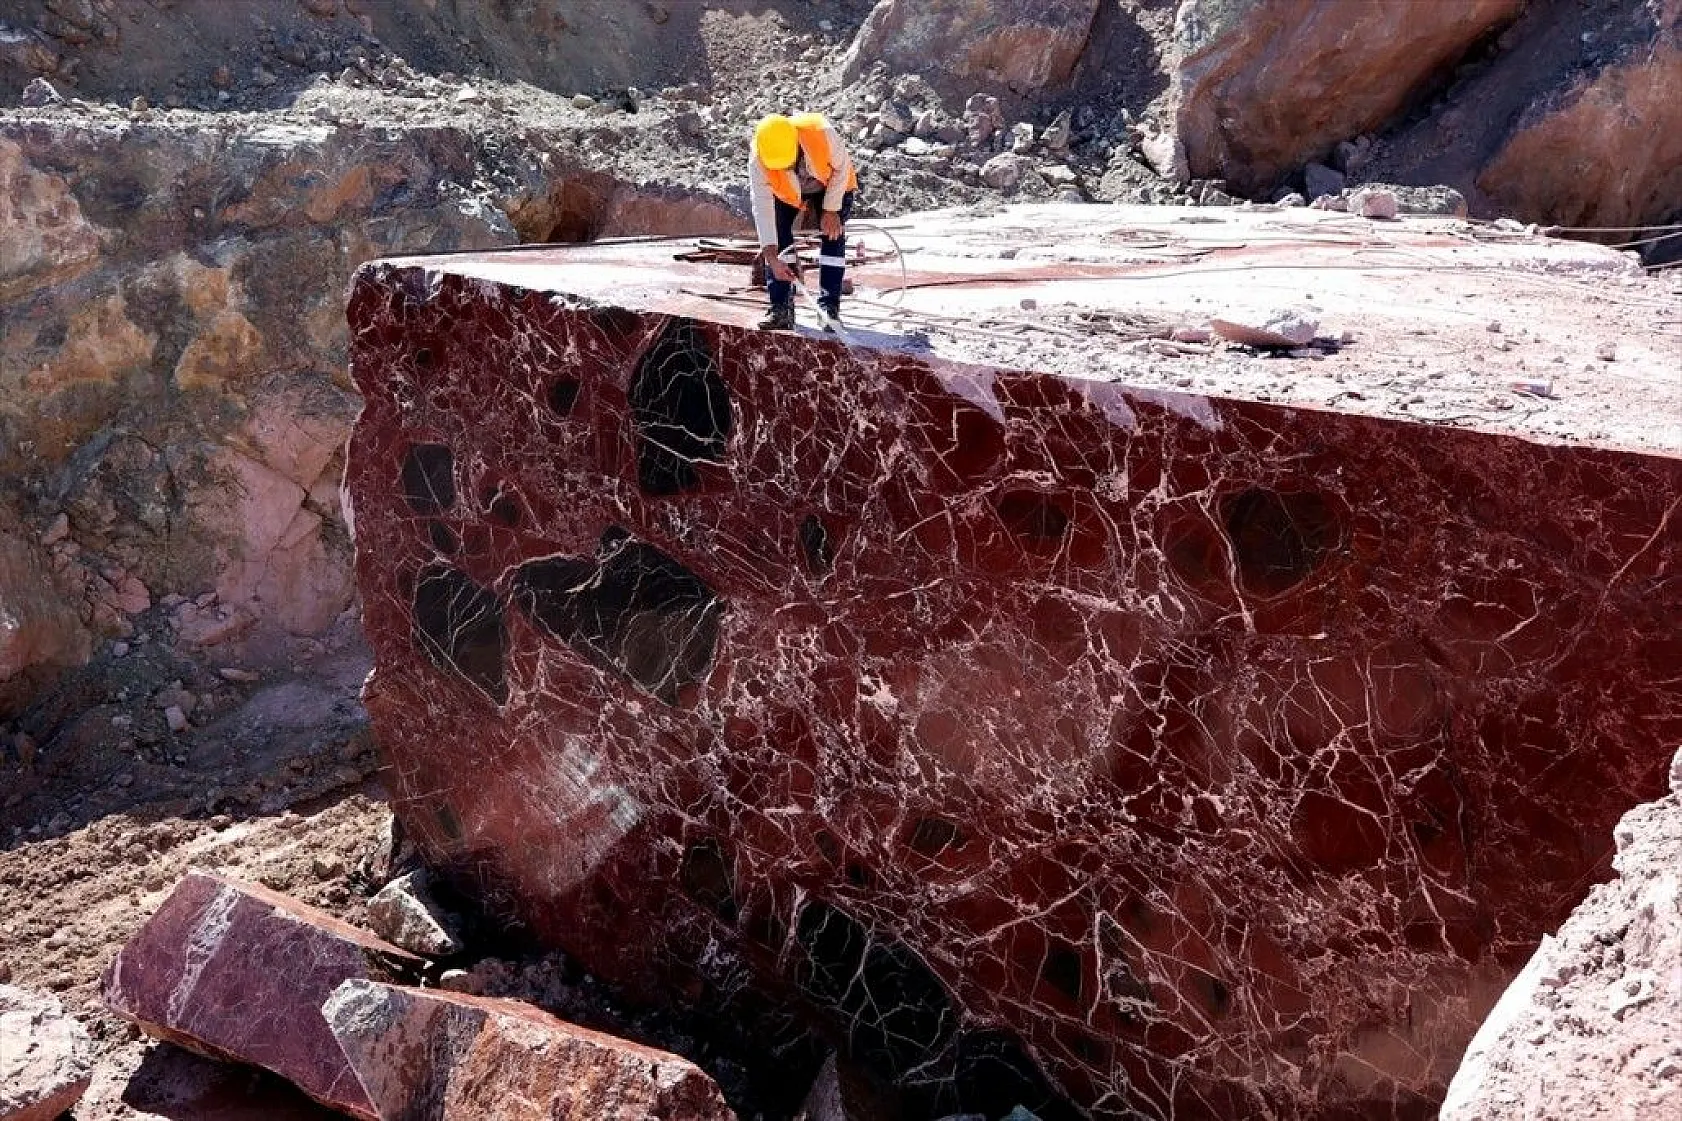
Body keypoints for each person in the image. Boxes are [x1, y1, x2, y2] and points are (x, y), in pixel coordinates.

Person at [748, 112, 858, 331]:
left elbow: (842, 167)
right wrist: (771, 256)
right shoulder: (759, 157)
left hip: (831, 185)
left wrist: (831, 209)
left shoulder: (821, 131)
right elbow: (762, 207)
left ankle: (829, 308)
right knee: (779, 243)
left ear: (796, 144)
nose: (786, 169)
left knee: (832, 236)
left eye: (788, 164)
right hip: (787, 194)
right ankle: (781, 308)